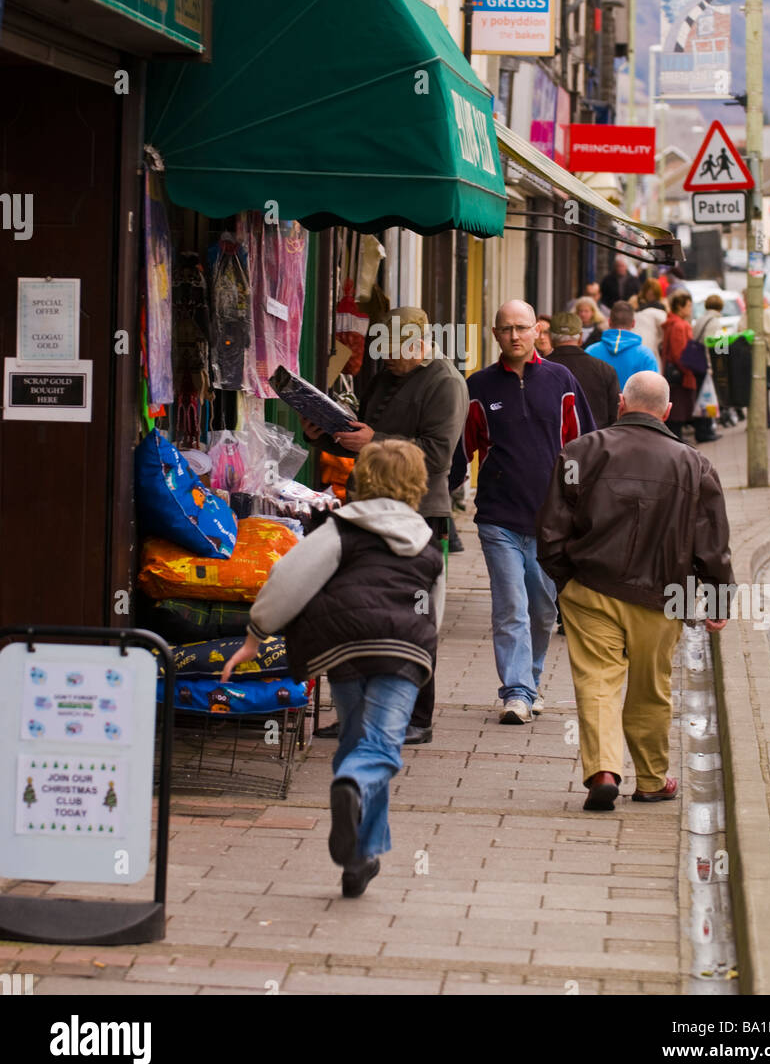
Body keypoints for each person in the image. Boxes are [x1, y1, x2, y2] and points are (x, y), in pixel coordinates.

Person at [222, 439, 444, 898]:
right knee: (380, 747)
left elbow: (288, 576)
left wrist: (256, 634)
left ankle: (361, 857)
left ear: (361, 479)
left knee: (357, 741)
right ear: (416, 483)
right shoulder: (426, 538)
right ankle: (352, 786)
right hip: (401, 652)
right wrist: (424, 659)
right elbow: (434, 609)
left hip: (341, 648)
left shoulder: (340, 528)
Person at [537, 371, 734, 810]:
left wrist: (565, 580)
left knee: (598, 684)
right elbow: (712, 545)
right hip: (662, 598)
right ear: (667, 412)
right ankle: (650, 780)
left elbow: (550, 530)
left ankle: (604, 771)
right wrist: (719, 599)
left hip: (590, 589)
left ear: (621, 404)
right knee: (651, 688)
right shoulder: (695, 463)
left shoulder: (580, 451)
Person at [300, 306, 467, 745]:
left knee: (413, 616)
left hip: (418, 514)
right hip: (365, 506)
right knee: (357, 613)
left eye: (396, 351)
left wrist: (371, 440)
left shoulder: (445, 381)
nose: (388, 359)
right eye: (384, 350)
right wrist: (326, 432)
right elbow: (361, 433)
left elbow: (437, 457)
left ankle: (417, 717)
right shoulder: (386, 374)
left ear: (420, 345)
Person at [450, 300, 595, 724]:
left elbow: (584, 444)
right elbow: (462, 450)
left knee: (543, 608)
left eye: (522, 328)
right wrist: (440, 496)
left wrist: (585, 504)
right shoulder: (478, 386)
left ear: (538, 331)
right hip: (498, 517)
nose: (514, 335)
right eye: (506, 328)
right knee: (510, 604)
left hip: (551, 521)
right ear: (494, 335)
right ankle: (515, 691)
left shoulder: (562, 380)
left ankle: (529, 682)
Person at [547, 312, 620, 429]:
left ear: (550, 338)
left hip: (554, 445)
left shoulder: (539, 369)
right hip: (596, 443)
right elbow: (615, 418)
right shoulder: (605, 370)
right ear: (580, 337)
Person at [585, 300, 659, 384]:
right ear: (633, 323)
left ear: (609, 322)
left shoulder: (590, 352)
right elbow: (654, 390)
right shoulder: (646, 355)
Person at [738, 298, 770, 429]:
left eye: (746, 298)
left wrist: (758, 349)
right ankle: (758, 421)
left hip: (762, 361)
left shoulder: (766, 313)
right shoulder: (748, 313)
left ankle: (764, 421)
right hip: (748, 359)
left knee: (761, 393)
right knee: (752, 392)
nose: (745, 302)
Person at [662, 291, 698, 440]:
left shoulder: (673, 323)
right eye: (688, 306)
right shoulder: (679, 325)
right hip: (681, 375)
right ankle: (677, 439)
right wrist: (689, 369)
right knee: (679, 409)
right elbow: (679, 353)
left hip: (676, 373)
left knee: (677, 408)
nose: (690, 309)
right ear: (679, 306)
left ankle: (677, 438)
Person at [690, 294, 723, 444]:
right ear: (720, 307)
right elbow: (716, 346)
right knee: (707, 397)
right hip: (705, 364)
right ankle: (705, 431)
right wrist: (714, 366)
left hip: (695, 361)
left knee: (700, 397)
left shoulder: (701, 319)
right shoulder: (715, 322)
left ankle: (703, 429)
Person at [631, 277, 667, 362]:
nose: (651, 296)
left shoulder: (661, 307)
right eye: (649, 293)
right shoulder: (636, 304)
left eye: (654, 294)